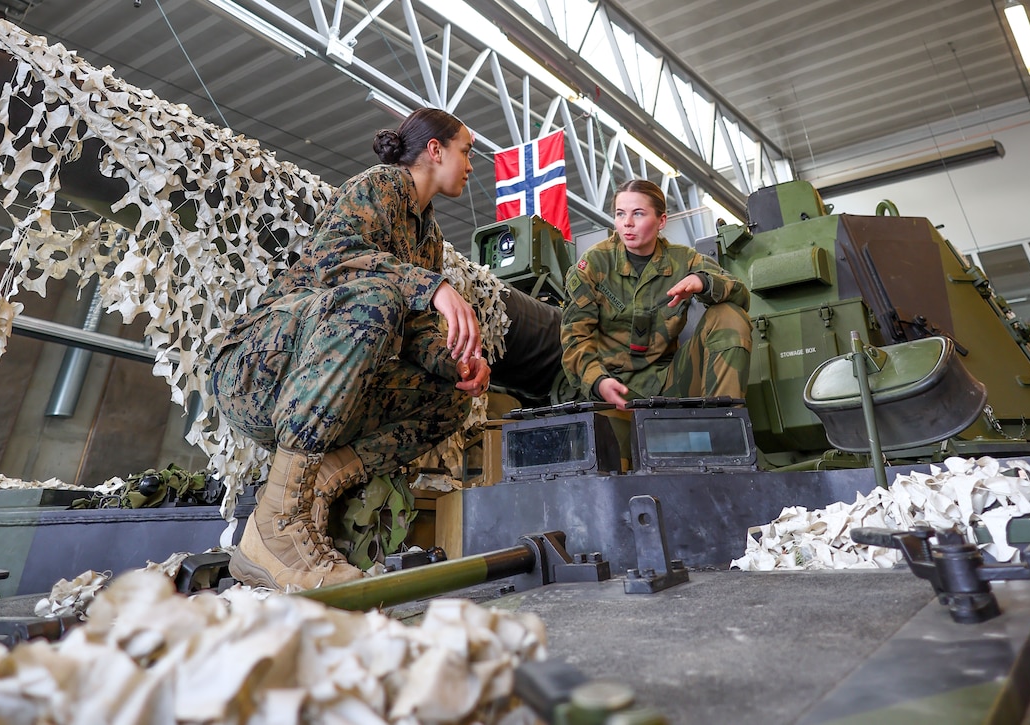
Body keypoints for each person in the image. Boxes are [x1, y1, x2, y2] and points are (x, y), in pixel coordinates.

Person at [208, 108, 491, 590]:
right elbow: (333, 263)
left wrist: (456, 360)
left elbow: (418, 326)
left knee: (452, 396)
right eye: (465, 152)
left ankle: (311, 494)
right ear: (435, 150)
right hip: (259, 372)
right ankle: (275, 523)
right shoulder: (378, 186)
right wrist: (435, 287)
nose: (470, 165)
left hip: (318, 389)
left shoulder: (429, 234)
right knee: (375, 297)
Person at [561, 179, 751, 408]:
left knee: (729, 314)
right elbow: (575, 336)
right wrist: (598, 382)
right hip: (613, 389)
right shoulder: (594, 264)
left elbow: (740, 293)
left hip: (670, 380)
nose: (627, 224)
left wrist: (703, 281)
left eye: (638, 214)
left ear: (661, 221)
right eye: (620, 214)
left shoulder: (683, 260)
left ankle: (725, 428)